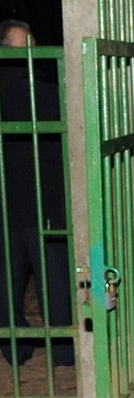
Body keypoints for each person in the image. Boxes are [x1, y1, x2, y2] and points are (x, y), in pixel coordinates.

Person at [0, 20, 74, 366]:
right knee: (52, 280)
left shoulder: (45, 91)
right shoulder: (49, 92)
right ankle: (63, 348)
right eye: (21, 47)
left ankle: (14, 346)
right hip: (44, 202)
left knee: (9, 280)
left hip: (10, 204)